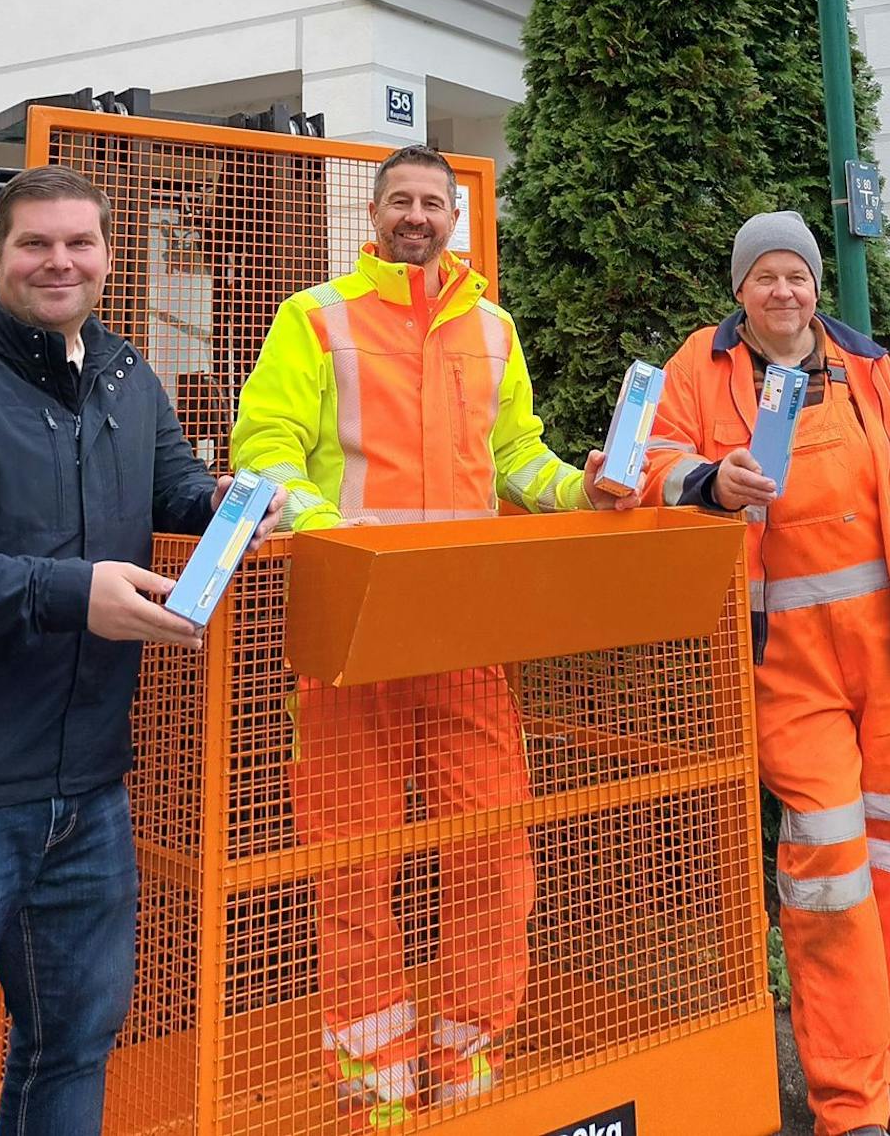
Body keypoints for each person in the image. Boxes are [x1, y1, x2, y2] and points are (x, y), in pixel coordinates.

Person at [0, 166, 281, 1136]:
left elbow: (171, 489)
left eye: (79, 242)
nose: (58, 260)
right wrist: (74, 593)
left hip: (83, 796)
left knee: (69, 1058)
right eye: (35, 243)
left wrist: (230, 504)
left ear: (109, 257)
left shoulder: (124, 375)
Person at [232, 143, 631, 1130]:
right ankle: (377, 1083)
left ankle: (464, 1060)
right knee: (353, 864)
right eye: (399, 200)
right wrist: (337, 538)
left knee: (492, 852)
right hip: (350, 637)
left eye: (431, 202)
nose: (416, 215)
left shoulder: (491, 328)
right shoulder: (312, 318)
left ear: (454, 216)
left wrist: (582, 489)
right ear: (371, 215)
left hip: (462, 633)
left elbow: (516, 459)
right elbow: (266, 451)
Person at [639, 211, 890, 1136]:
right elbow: (646, 464)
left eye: (798, 276)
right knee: (829, 869)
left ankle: (875, 1057)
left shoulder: (868, 368)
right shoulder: (697, 370)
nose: (784, 291)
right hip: (787, 667)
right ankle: (851, 1105)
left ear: (816, 286)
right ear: (739, 289)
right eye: (766, 277)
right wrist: (709, 480)